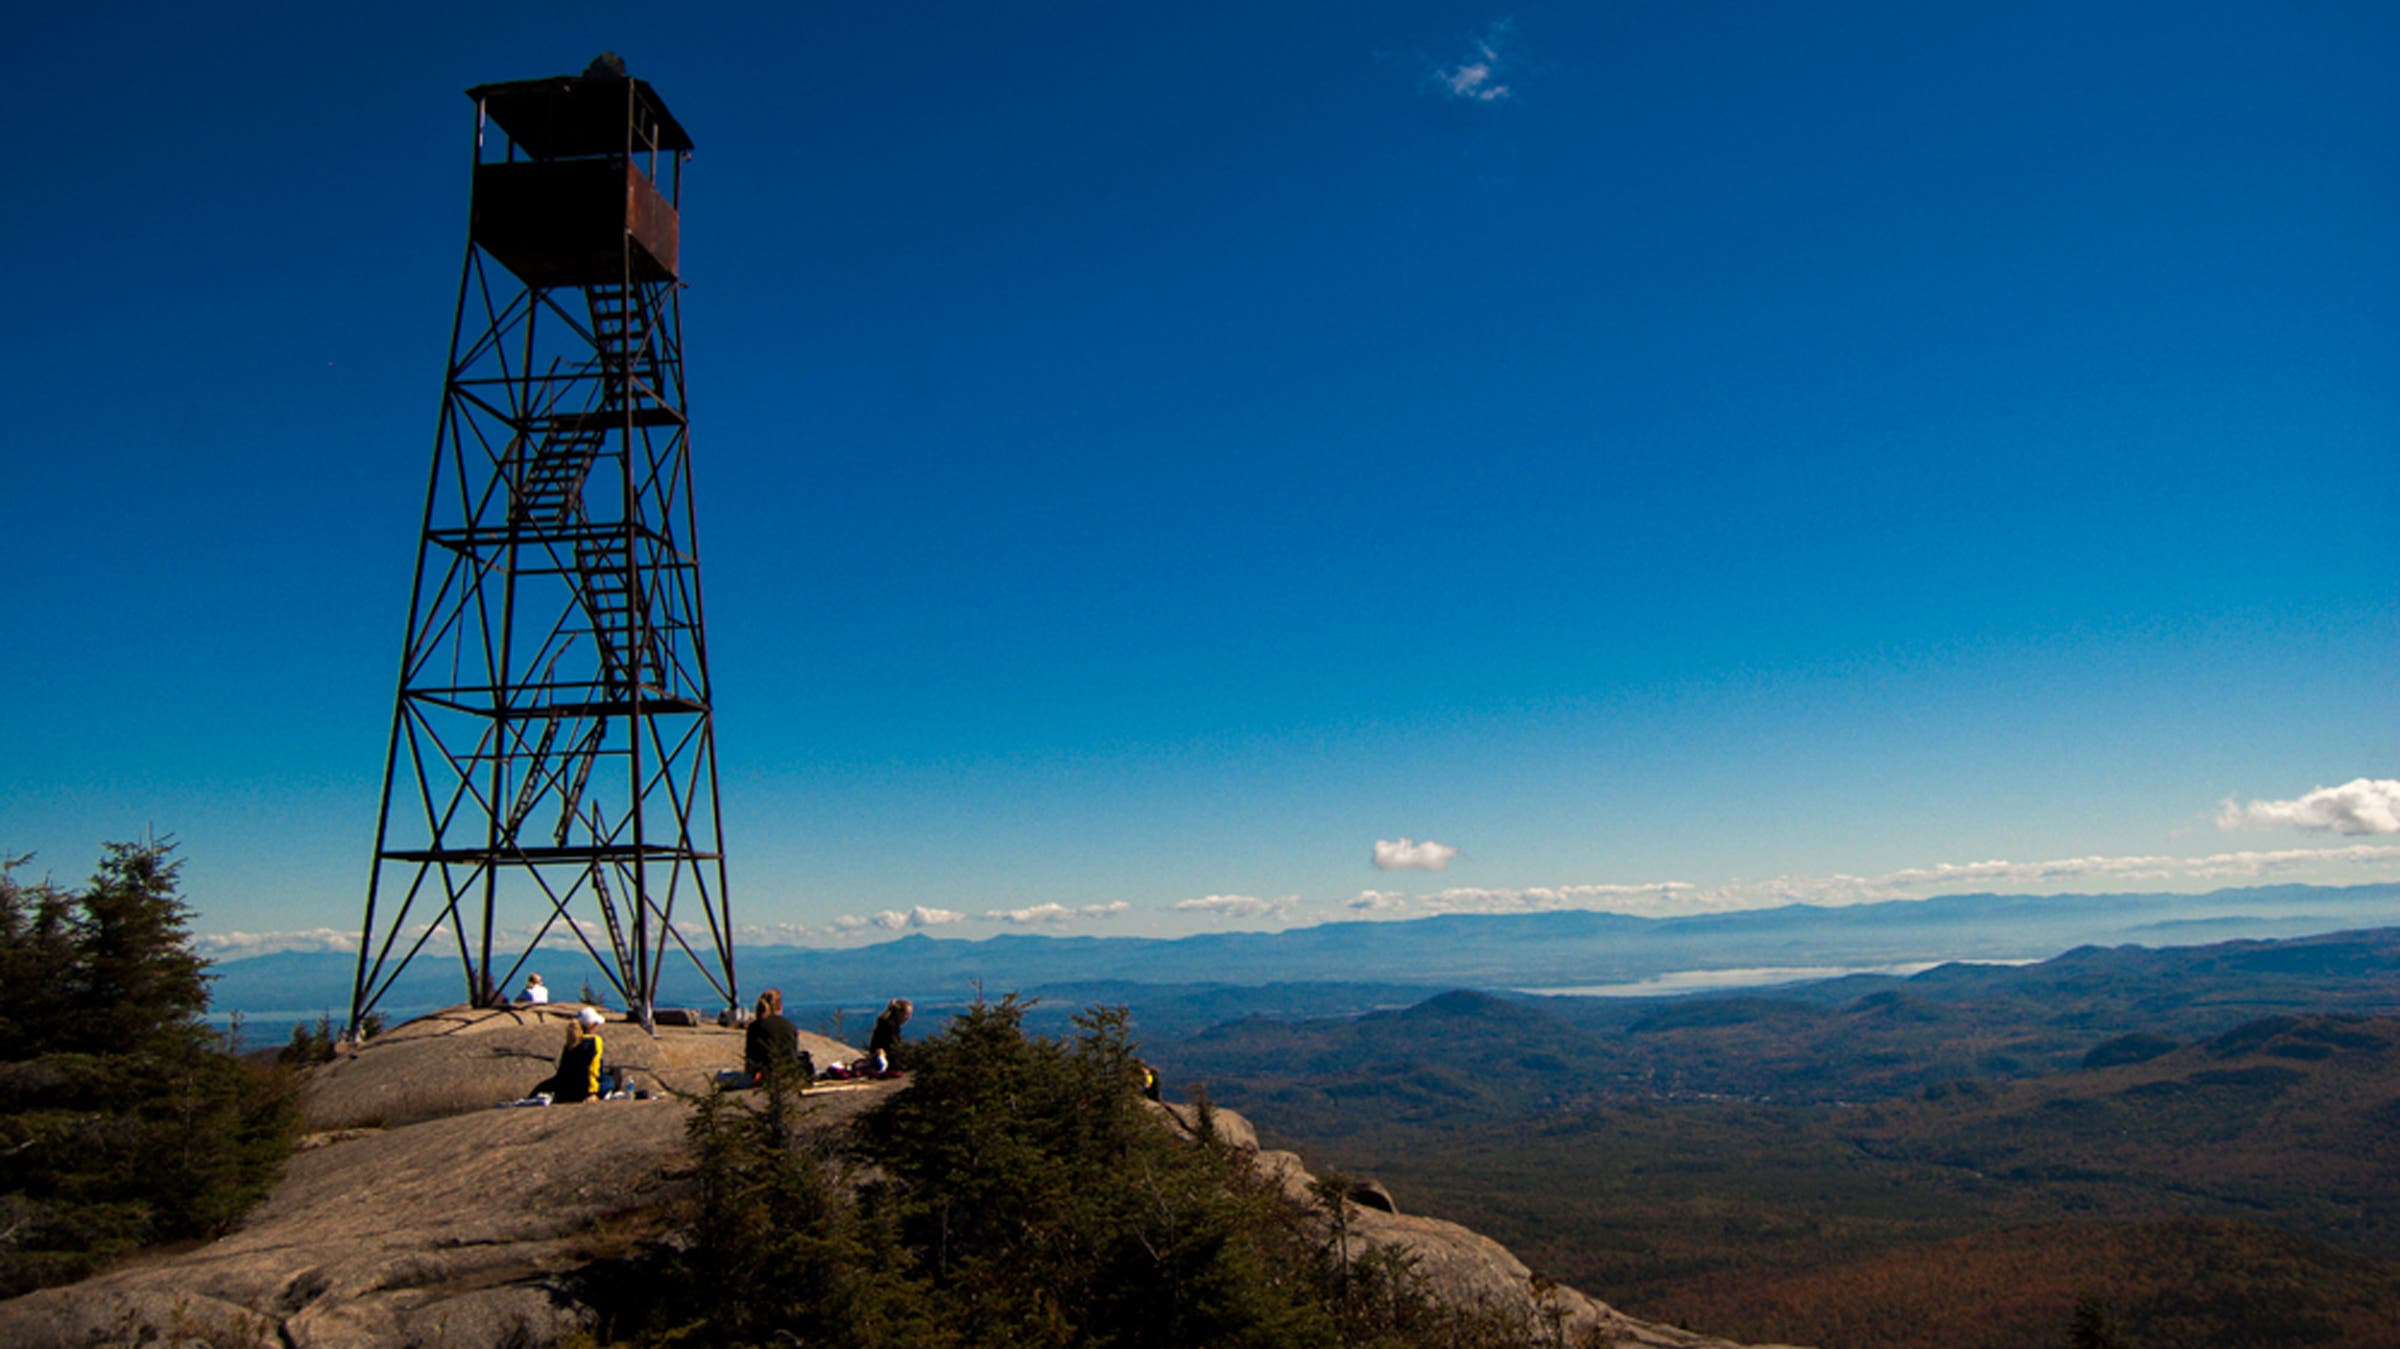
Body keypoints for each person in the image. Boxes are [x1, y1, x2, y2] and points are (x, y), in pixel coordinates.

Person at [529, 1007, 605, 1103]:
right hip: (584, 1089)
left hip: (565, 1087)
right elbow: (591, 1069)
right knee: (610, 1080)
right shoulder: (594, 1041)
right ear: (592, 1026)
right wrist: (593, 1093)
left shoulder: (571, 1042)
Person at [744, 988, 803, 1086]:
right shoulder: (790, 1025)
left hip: (762, 1077)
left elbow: (750, 1059)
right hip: (788, 1075)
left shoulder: (755, 1026)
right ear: (779, 1005)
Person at [866, 998, 912, 1070]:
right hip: (886, 1060)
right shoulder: (890, 1026)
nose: (908, 1018)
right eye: (907, 1014)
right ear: (899, 1013)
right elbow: (892, 1048)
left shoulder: (886, 1023)